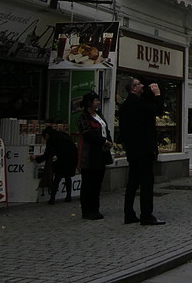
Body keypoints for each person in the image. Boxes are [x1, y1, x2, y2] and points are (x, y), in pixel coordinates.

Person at [120, 78, 166, 225]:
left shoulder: (125, 104)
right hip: (143, 148)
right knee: (147, 182)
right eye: (139, 84)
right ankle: (146, 215)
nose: (142, 86)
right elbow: (157, 110)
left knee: (133, 182)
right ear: (133, 88)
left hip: (132, 149)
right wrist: (157, 94)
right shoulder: (137, 103)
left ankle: (129, 213)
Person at [77, 92, 113, 220]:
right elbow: (88, 134)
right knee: (88, 183)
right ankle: (87, 210)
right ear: (89, 103)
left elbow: (106, 130)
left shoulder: (99, 116)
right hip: (90, 154)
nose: (98, 102)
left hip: (101, 153)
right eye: (96, 100)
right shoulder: (83, 118)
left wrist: (109, 141)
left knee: (97, 182)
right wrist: (103, 141)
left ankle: (95, 208)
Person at [33, 125, 78, 205]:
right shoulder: (63, 134)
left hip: (62, 159)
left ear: (47, 135)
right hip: (72, 157)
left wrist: (37, 159)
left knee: (57, 178)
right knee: (68, 177)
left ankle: (52, 198)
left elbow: (47, 155)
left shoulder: (52, 139)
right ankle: (68, 196)